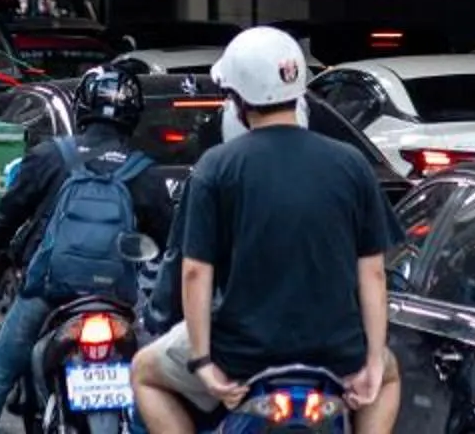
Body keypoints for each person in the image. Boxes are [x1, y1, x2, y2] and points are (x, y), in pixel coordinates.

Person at [130, 28, 398, 434]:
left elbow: (194, 273)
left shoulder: (216, 167)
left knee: (143, 372)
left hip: (240, 356)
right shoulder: (352, 164)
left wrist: (204, 364)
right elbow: (374, 274)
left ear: (237, 101)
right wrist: (374, 363)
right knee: (392, 378)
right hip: (338, 355)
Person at [0, 66, 177, 434]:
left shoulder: (48, 156)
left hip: (51, 292)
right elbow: (169, 243)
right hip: (118, 298)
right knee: (149, 380)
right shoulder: (144, 172)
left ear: (81, 108)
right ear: (133, 115)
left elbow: (7, 215)